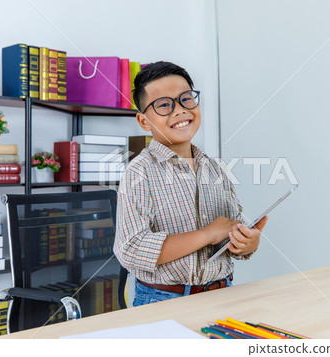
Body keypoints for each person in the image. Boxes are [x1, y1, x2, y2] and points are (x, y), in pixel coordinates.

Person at [113, 61, 268, 306]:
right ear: (144, 122)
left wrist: (246, 243)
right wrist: (207, 234)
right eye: (164, 105)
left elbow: (229, 235)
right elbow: (131, 249)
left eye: (186, 98)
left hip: (223, 293)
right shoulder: (138, 172)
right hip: (163, 300)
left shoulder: (215, 168)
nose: (179, 110)